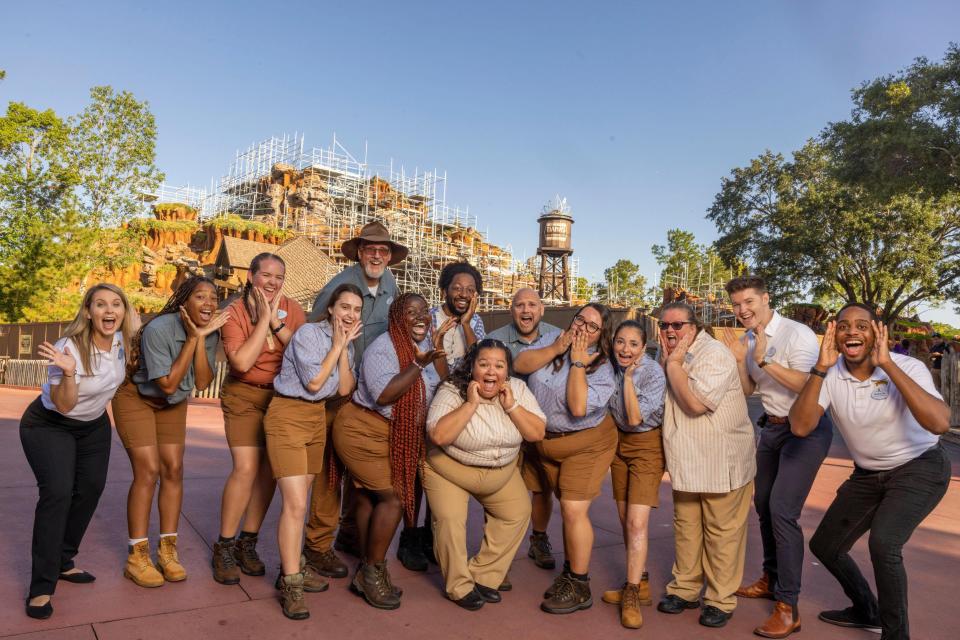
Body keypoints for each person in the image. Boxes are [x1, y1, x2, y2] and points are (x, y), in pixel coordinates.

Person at [789, 303, 951, 640]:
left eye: (862, 325)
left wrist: (888, 365)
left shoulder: (907, 366)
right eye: (845, 325)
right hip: (868, 474)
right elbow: (801, 427)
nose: (852, 332)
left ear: (878, 331)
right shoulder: (830, 375)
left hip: (919, 467)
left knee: (885, 543)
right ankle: (867, 610)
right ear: (835, 333)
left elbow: (939, 422)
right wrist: (819, 368)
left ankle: (896, 635)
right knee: (826, 546)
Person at [19, 284, 137, 619]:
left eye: (116, 304)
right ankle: (41, 587)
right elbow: (65, 404)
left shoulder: (123, 342)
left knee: (89, 489)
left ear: (124, 312)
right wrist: (69, 372)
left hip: (94, 425)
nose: (109, 310)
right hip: (49, 423)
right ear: (88, 312)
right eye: (100, 304)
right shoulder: (67, 347)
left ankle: (63, 560)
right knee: (57, 492)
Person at [725, 276, 832, 638]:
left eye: (749, 302)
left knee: (783, 510)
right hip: (771, 428)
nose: (743, 310)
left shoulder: (795, 333)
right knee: (764, 504)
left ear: (766, 298)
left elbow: (807, 383)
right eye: (737, 305)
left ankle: (788, 607)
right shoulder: (747, 338)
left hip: (805, 429)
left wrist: (763, 359)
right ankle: (771, 578)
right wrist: (743, 361)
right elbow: (748, 389)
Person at [332, 292, 454, 609]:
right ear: (397, 316)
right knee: (394, 498)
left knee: (369, 496)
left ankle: (366, 568)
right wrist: (416, 364)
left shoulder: (425, 347)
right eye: (411, 312)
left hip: (391, 434)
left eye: (425, 311)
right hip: (361, 430)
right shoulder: (383, 348)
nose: (420, 317)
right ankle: (372, 572)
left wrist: (435, 348)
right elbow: (385, 395)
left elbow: (445, 381)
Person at [303, 221, 408, 578]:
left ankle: (348, 535)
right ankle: (317, 546)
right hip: (336, 390)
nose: (377, 255)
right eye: (370, 250)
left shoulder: (390, 283)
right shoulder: (342, 287)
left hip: (366, 394)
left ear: (389, 256)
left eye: (383, 251)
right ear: (360, 253)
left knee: (359, 472)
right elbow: (317, 326)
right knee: (329, 470)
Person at [112, 276, 227, 588]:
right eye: (201, 297)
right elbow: (167, 384)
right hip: (138, 398)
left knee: (174, 469)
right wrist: (192, 339)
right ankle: (136, 557)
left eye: (213, 297)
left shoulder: (209, 332)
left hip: (172, 404)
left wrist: (201, 338)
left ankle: (168, 552)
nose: (209, 303)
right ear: (184, 301)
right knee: (148, 471)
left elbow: (202, 383)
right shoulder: (160, 328)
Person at [423, 339, 546, 610]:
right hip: (450, 469)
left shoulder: (518, 389)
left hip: (499, 471)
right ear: (472, 368)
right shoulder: (452, 390)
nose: (491, 372)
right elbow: (439, 435)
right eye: (484, 364)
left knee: (517, 513)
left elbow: (536, 433)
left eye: (499, 366)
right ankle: (458, 585)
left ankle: (482, 575)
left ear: (507, 371)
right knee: (451, 520)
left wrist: (512, 406)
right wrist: (471, 404)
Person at [264, 283, 362, 620]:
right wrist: (337, 346)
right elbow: (315, 383)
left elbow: (345, 388)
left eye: (356, 310)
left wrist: (345, 348)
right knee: (295, 504)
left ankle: (290, 567)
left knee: (299, 503)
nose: (350, 314)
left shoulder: (346, 340)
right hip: (288, 414)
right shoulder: (308, 334)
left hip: (316, 418)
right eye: (345, 307)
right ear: (332, 309)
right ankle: (290, 582)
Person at [655, 302, 756, 629]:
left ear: (694, 326)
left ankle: (719, 599)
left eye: (678, 325)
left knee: (721, 534)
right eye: (665, 325)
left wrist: (672, 366)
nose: (671, 331)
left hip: (720, 459)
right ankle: (684, 590)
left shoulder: (714, 354)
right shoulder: (669, 354)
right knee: (686, 529)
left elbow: (696, 404)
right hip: (687, 459)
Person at [514, 303, 617, 615]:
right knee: (538, 492)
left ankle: (578, 582)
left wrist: (576, 362)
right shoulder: (554, 339)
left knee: (573, 509)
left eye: (592, 326)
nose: (582, 327)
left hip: (584, 442)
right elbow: (521, 363)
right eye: (580, 319)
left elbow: (576, 407)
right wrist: (557, 347)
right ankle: (540, 541)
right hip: (543, 438)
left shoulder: (603, 366)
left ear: (603, 335)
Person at [212, 253, 306, 585]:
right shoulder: (234, 312)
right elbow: (241, 363)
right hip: (244, 394)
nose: (272, 282)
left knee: (270, 471)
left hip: (280, 398)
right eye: (266, 275)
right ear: (252, 276)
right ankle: (223, 545)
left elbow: (303, 353)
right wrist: (264, 319)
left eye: (279, 277)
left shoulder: (293, 309)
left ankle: (246, 542)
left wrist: (277, 321)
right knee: (247, 466)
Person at [394, 261, 488, 571]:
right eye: (457, 288)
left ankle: (434, 536)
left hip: (456, 409)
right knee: (416, 474)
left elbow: (480, 360)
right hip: (425, 402)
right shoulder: (427, 317)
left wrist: (466, 324)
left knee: (442, 475)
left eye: (470, 290)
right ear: (444, 289)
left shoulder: (476, 325)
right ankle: (410, 537)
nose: (463, 294)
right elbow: (425, 362)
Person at [488, 288, 561, 573]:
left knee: (543, 486)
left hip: (541, 425)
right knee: (498, 487)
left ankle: (538, 539)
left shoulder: (557, 336)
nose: (526, 310)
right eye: (520, 305)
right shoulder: (496, 341)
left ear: (542, 310)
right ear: (511, 309)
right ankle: (495, 552)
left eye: (532, 304)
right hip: (506, 424)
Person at [599, 320, 666, 629]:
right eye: (620, 342)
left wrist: (627, 379)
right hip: (618, 446)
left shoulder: (652, 373)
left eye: (633, 344)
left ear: (644, 347)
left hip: (646, 445)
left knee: (638, 523)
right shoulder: (608, 365)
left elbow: (636, 417)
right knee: (626, 520)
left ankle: (632, 593)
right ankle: (643, 582)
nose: (625, 349)